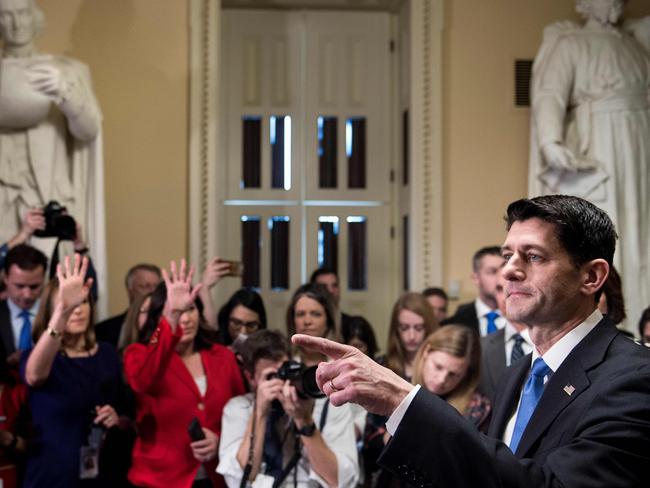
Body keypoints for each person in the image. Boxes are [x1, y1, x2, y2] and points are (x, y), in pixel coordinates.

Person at [294, 195, 650, 487]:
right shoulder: (519, 372)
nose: (508, 269)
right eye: (507, 254)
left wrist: (400, 399)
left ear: (591, 276)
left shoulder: (633, 379)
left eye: (534, 256)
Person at [529, 0, 650, 333]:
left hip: (639, 139)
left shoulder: (633, 45)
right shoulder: (571, 44)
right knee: (607, 221)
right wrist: (551, 142)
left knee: (640, 225)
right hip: (601, 137)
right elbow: (550, 94)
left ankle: (641, 308)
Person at [0, 0, 106, 304]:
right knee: (11, 286)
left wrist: (66, 93)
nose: (16, 24)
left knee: (62, 290)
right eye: (6, 16)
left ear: (34, 18)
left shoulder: (68, 71)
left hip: (51, 194)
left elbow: (89, 131)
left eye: (21, 14)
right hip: (6, 196)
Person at [124, 260, 245, 488]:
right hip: (160, 480)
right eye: (178, 311)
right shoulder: (139, 354)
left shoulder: (222, 356)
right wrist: (171, 317)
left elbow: (240, 412)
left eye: (191, 309)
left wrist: (219, 439)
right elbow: (142, 383)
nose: (186, 319)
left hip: (215, 477)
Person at [22, 254, 122, 487]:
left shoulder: (107, 353)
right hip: (52, 476)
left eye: (82, 303)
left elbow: (127, 413)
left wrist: (116, 418)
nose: (77, 311)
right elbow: (34, 376)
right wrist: (62, 312)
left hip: (101, 474)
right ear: (51, 311)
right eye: (68, 305)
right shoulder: (39, 355)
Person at [217, 329, 359, 488]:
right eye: (271, 376)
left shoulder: (330, 404)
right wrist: (260, 413)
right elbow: (239, 480)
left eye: (284, 372)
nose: (282, 382)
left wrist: (304, 420)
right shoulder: (239, 409)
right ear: (250, 377)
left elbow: (341, 481)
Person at [413, 325, 490, 431]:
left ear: (466, 374)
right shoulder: (398, 385)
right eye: (438, 367)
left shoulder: (477, 407)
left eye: (453, 374)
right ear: (426, 351)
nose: (442, 380)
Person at [479, 268, 533, 402]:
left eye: (514, 285)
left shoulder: (555, 344)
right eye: (498, 288)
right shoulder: (480, 347)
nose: (504, 296)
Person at [441, 246, 505, 336]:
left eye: (504, 272)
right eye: (492, 272)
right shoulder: (455, 322)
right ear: (476, 278)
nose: (500, 278)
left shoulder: (523, 317)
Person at [0, 244, 47, 365]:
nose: (27, 295)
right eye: (19, 286)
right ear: (5, 278)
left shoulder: (55, 313)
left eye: (34, 286)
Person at [95, 264, 161, 347]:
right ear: (130, 290)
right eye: (146, 286)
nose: (153, 291)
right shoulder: (102, 330)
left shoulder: (166, 328)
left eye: (156, 287)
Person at [384, 292, 437, 382]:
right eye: (404, 328)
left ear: (428, 328)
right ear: (396, 328)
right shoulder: (382, 365)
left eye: (419, 328)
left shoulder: (440, 366)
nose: (411, 336)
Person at [310, 267, 369, 340]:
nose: (330, 291)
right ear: (312, 291)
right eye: (324, 286)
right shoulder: (307, 325)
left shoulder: (353, 326)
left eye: (335, 285)